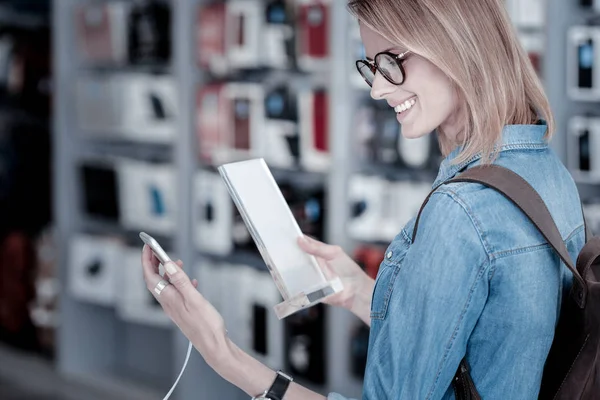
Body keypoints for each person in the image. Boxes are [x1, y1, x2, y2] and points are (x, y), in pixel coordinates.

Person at [140, 0, 585, 398]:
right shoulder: (546, 173)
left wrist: (224, 356)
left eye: (391, 62)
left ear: (455, 46)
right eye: (372, 66)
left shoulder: (461, 213)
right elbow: (490, 345)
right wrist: (362, 294)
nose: (377, 89)